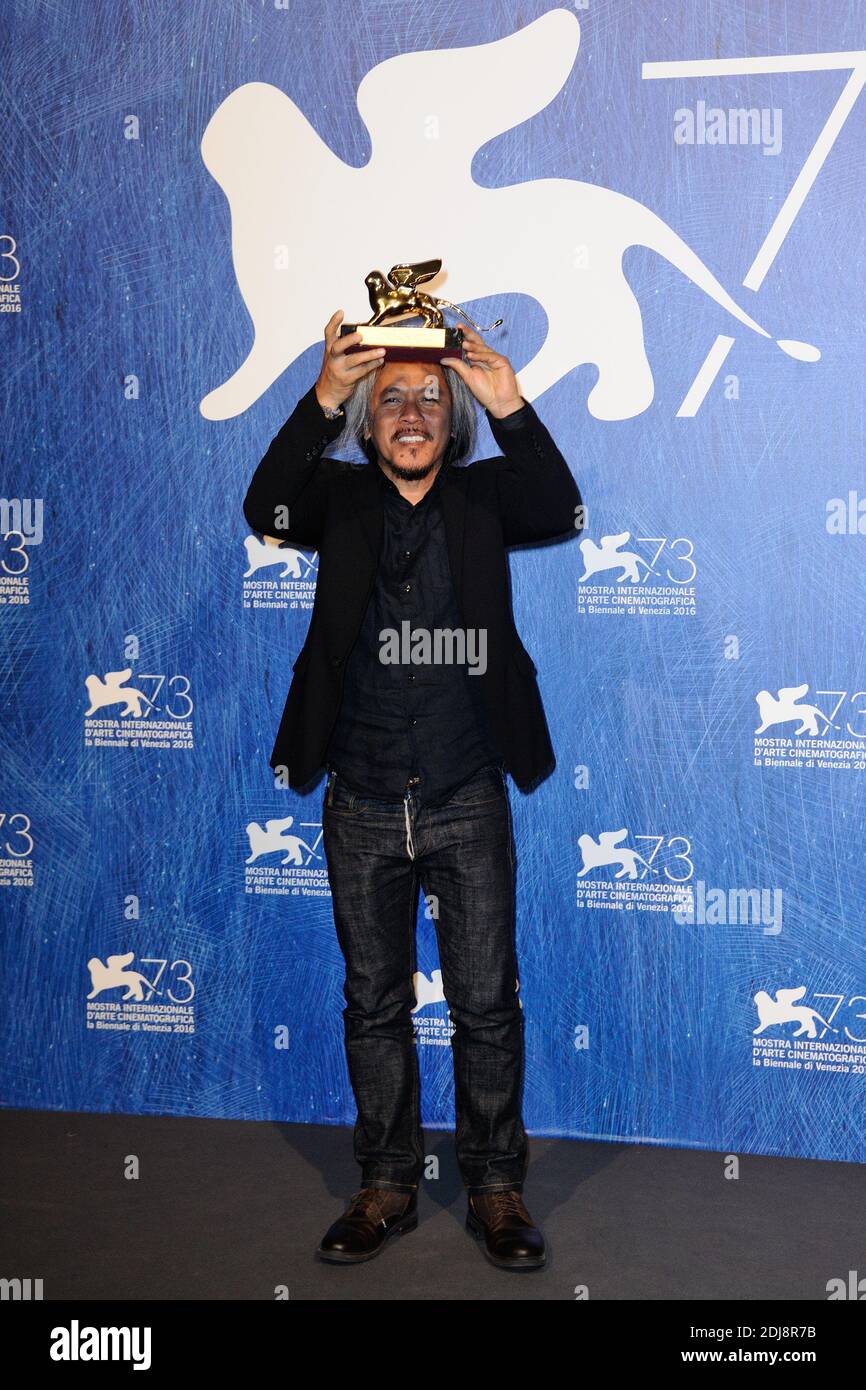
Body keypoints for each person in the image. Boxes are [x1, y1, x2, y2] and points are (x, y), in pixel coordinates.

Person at [243, 310, 582, 1270]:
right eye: (389, 397)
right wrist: (320, 396)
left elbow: (560, 507)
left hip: (467, 794)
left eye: (430, 399)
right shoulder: (338, 504)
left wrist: (511, 402)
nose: (410, 413)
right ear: (368, 418)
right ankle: (387, 1184)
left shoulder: (484, 503)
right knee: (373, 1003)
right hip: (359, 798)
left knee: (484, 1005)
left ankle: (495, 1191)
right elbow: (263, 504)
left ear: (453, 420)